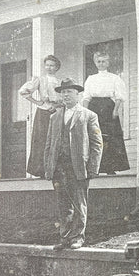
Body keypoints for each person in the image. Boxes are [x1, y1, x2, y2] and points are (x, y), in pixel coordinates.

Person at [44, 78, 103, 249]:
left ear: (77, 94)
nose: (65, 95)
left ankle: (78, 237)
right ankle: (65, 237)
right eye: (63, 92)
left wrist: (92, 168)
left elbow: (97, 144)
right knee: (63, 203)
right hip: (59, 166)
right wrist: (49, 167)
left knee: (79, 202)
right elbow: (49, 144)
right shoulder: (55, 117)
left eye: (69, 92)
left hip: (78, 166)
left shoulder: (89, 115)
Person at [81, 51, 129, 175]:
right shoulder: (91, 79)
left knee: (109, 137)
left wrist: (115, 110)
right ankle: (94, 168)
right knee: (94, 137)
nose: (101, 64)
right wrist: (85, 112)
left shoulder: (114, 78)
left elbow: (119, 96)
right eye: (99, 61)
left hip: (108, 108)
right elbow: (86, 97)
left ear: (108, 62)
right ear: (95, 63)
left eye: (104, 61)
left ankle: (110, 168)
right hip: (94, 108)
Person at [19, 55, 63, 177]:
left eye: (52, 65)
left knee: (55, 140)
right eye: (47, 65)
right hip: (43, 112)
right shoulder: (40, 80)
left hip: (57, 112)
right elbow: (23, 91)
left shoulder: (60, 82)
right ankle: (41, 170)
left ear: (57, 67)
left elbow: (63, 99)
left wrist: (58, 105)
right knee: (42, 139)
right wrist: (38, 102)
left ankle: (54, 169)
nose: (49, 67)